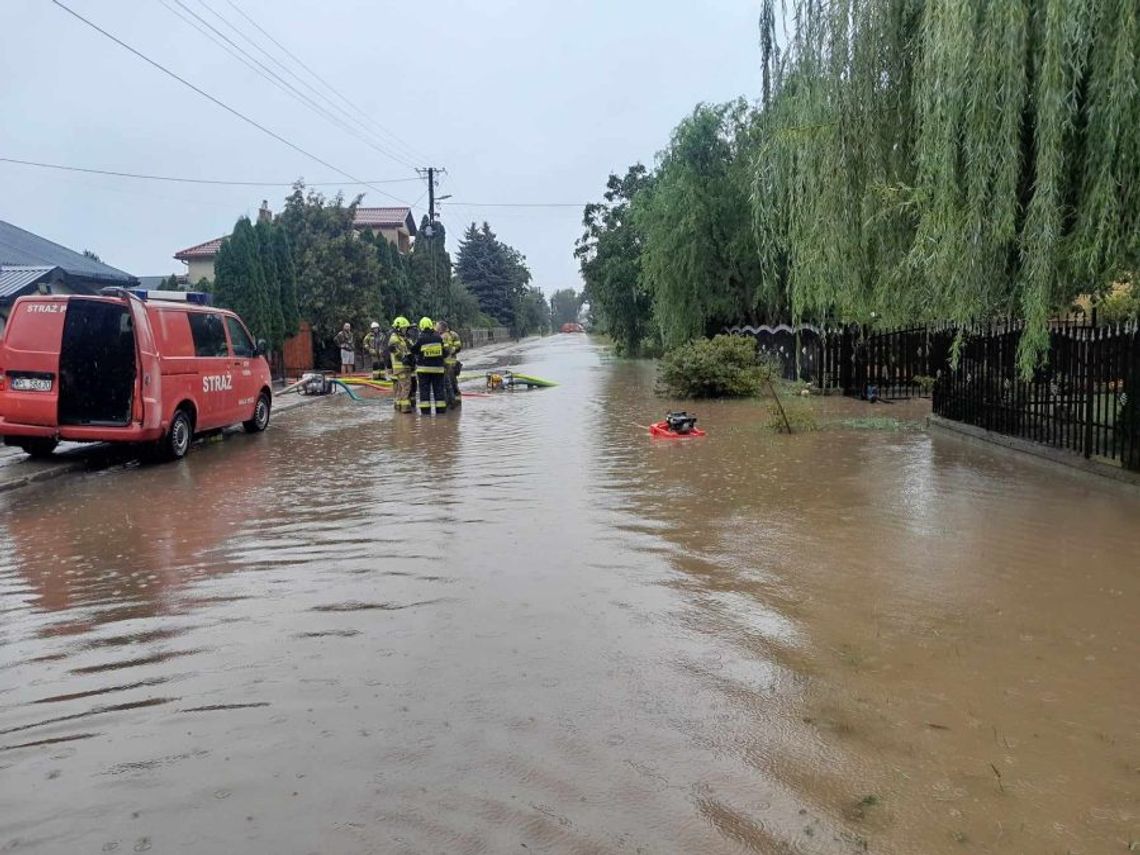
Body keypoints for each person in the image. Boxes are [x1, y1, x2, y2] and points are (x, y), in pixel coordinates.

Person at [410, 316, 447, 415]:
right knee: (439, 392)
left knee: (424, 393)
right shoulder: (438, 337)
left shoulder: (421, 338)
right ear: (431, 325)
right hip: (438, 370)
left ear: (421, 326)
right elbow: (445, 352)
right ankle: (440, 414)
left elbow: (413, 350)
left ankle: (426, 414)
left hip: (424, 371)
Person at [388, 317, 414, 414]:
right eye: (404, 328)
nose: (405, 330)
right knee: (406, 387)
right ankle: (405, 409)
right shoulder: (394, 338)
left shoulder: (401, 338)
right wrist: (404, 358)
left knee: (400, 388)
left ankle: (398, 408)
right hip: (401, 367)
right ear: (398, 328)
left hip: (402, 367)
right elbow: (395, 351)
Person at [438, 321, 462, 407]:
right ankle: (453, 400)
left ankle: (453, 401)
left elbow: (457, 347)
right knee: (450, 382)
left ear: (442, 328)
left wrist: (452, 350)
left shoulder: (448, 335)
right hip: (449, 362)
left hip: (449, 363)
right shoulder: (450, 335)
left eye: (438, 327)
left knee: (450, 382)